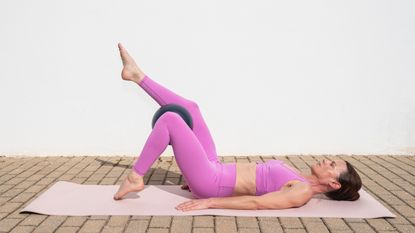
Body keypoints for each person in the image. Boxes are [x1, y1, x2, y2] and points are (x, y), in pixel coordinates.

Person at [113, 43, 362, 211]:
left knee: (171, 121)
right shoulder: (300, 176)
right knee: (192, 109)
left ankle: (135, 177)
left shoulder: (302, 191)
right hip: (214, 169)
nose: (327, 161)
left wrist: (210, 201)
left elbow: (257, 203)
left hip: (211, 182)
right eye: (331, 160)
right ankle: (137, 76)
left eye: (332, 166)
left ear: (334, 184)